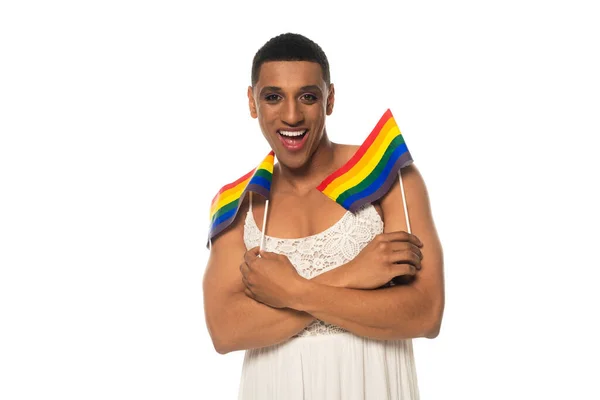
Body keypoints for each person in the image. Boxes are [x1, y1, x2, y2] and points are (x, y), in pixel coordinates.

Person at [202, 32, 445, 400]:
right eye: (273, 97)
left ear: (329, 99)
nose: (291, 115)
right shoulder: (238, 203)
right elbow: (225, 332)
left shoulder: (387, 175)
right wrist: (353, 275)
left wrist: (290, 292)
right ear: (252, 103)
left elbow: (425, 314)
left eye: (308, 97)